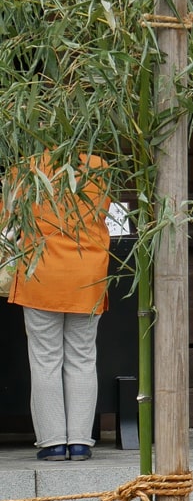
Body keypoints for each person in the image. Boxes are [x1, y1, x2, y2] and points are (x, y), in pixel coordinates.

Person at [7, 152, 112, 462]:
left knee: (45, 358)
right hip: (88, 270)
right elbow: (104, 212)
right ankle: (80, 441)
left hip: (42, 272)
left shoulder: (25, 169)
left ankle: (53, 442)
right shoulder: (99, 167)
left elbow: (8, 217)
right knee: (82, 356)